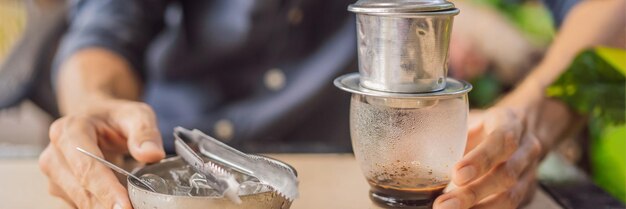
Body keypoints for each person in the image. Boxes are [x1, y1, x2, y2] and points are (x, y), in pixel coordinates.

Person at [37, 1, 625, 209]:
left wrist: (529, 113)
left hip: (351, 179)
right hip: (176, 171)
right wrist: (95, 105)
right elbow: (102, 34)